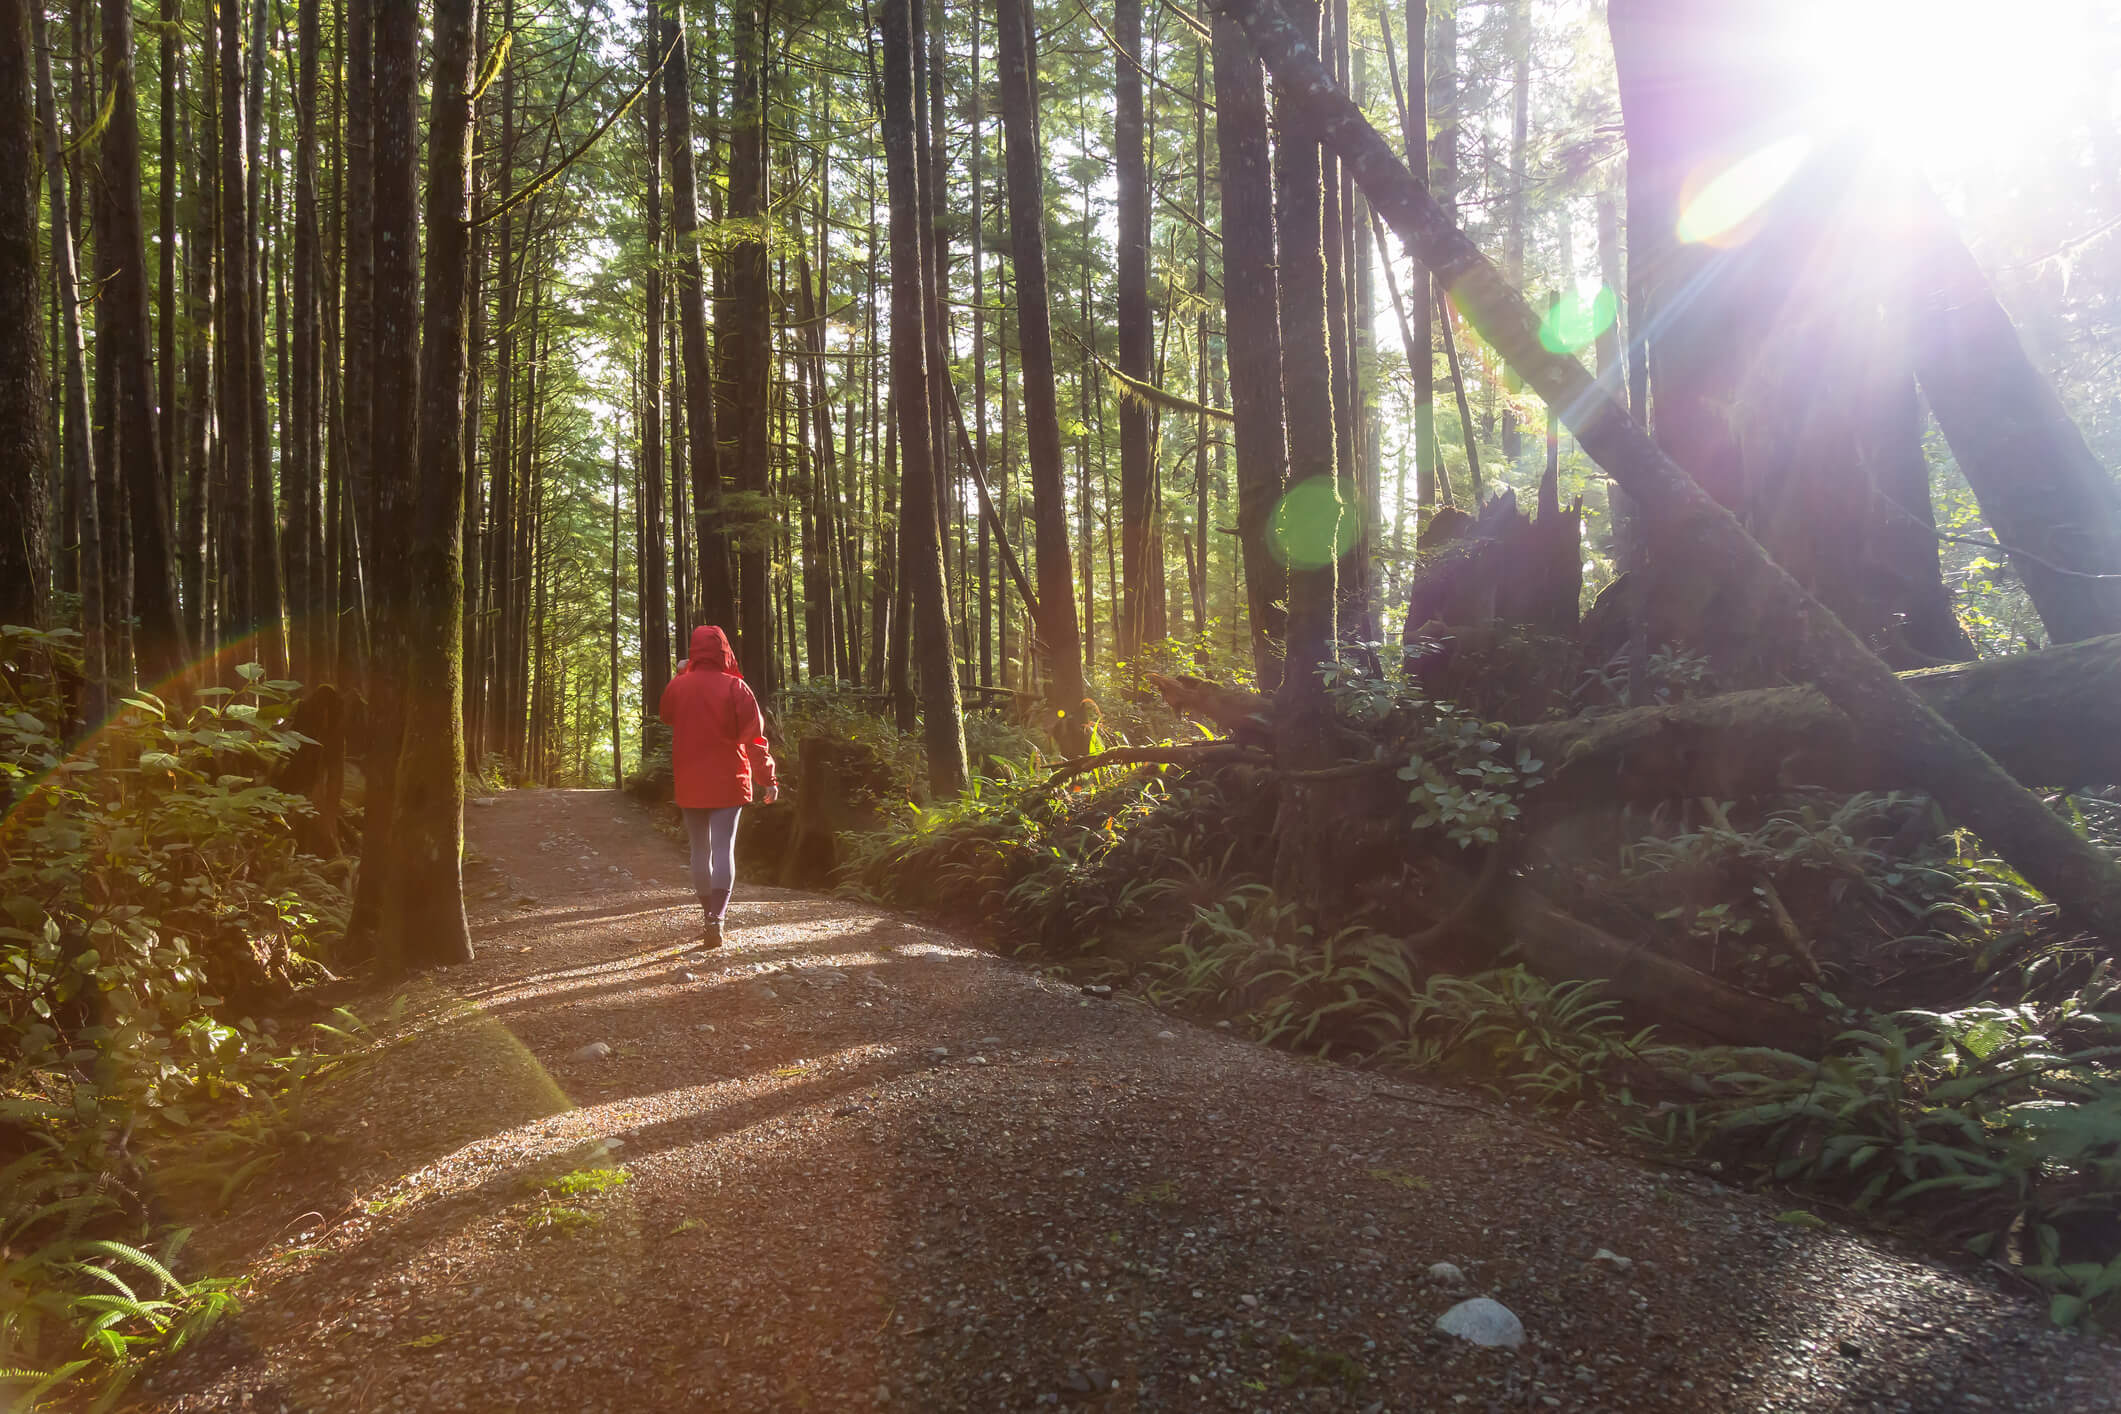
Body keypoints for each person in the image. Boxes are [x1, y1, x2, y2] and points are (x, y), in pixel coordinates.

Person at [657, 625, 777, 947]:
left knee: (700, 851)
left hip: (690, 781)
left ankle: (707, 914)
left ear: (695, 652)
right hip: (729, 781)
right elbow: (754, 738)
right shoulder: (737, 687)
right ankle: (717, 918)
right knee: (723, 849)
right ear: (725, 650)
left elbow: (666, 714)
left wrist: (682, 674)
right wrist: (768, 779)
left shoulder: (680, 687)